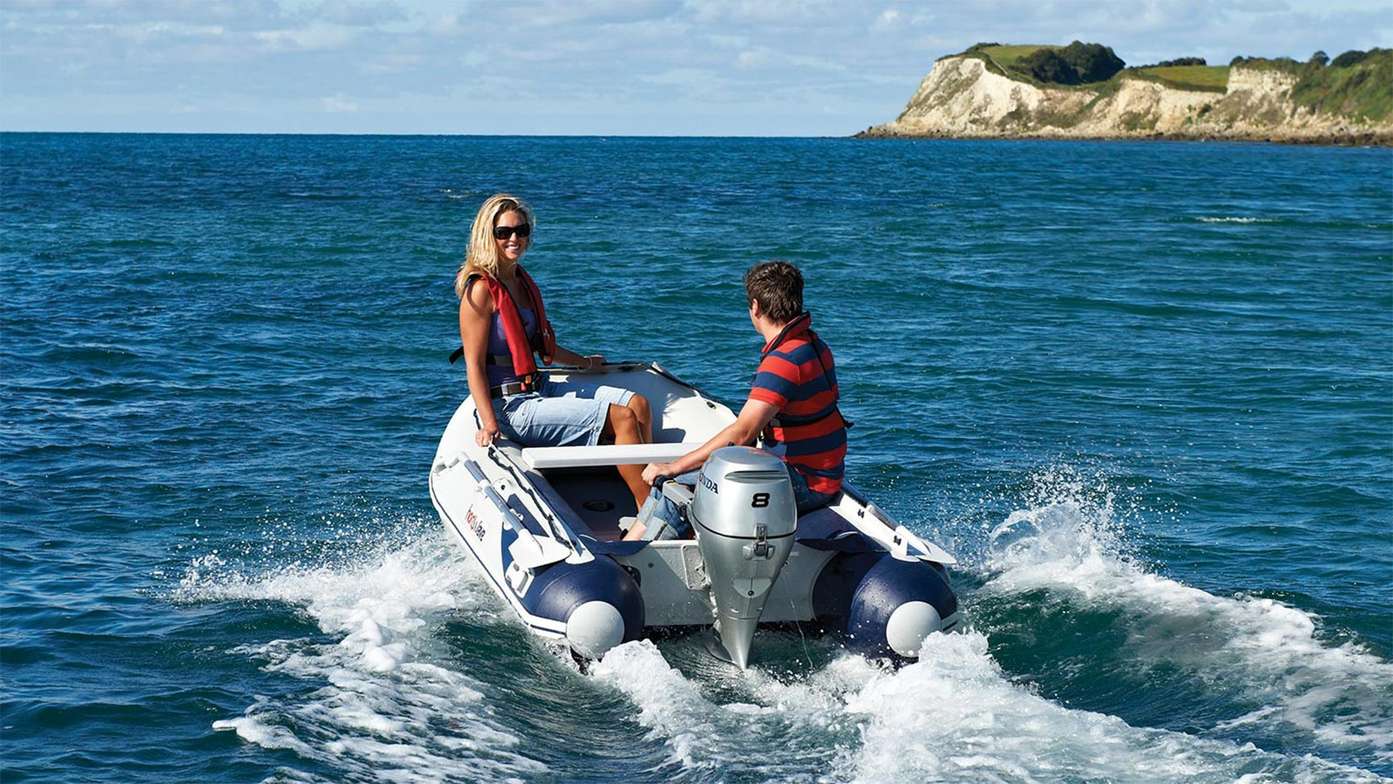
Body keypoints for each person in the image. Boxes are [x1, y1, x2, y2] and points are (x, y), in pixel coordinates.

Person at [455, 194, 653, 511]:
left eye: (521, 230)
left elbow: (541, 346)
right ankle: (651, 512)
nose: (514, 238)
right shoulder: (480, 290)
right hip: (509, 406)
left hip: (538, 387)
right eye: (503, 232)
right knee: (622, 416)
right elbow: (474, 365)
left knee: (638, 403)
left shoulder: (520, 281)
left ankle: (646, 486)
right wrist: (490, 423)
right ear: (487, 235)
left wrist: (586, 363)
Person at [628, 260, 847, 540]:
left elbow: (743, 433)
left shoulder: (783, 361)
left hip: (804, 483)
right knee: (681, 481)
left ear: (755, 307)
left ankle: (634, 560)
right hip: (822, 475)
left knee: (674, 489)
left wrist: (674, 466)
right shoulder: (814, 345)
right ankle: (634, 544)